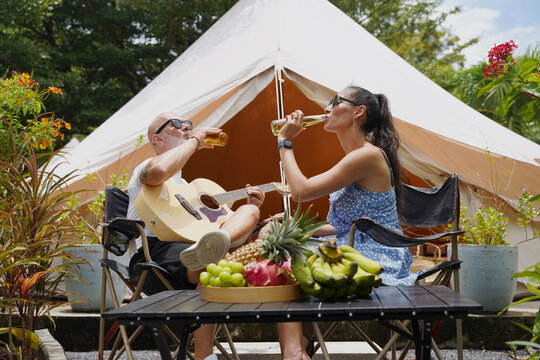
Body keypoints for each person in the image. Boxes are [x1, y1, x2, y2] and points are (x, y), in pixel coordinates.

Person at [127, 112, 265, 360]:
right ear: (157, 139)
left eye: (189, 125)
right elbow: (158, 171)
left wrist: (246, 210)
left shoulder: (189, 188)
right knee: (212, 264)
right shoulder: (146, 168)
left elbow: (232, 230)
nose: (186, 128)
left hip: (194, 249)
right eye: (178, 125)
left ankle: (216, 243)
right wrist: (194, 141)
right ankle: (204, 355)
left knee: (249, 211)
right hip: (155, 257)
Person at [273, 85, 417, 286]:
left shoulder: (366, 155)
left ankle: (289, 315)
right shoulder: (358, 156)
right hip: (351, 246)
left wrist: (284, 140)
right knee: (273, 234)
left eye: (336, 102)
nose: (326, 108)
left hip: (375, 256)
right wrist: (299, 226)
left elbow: (299, 191)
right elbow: (346, 227)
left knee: (280, 249)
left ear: (358, 111)